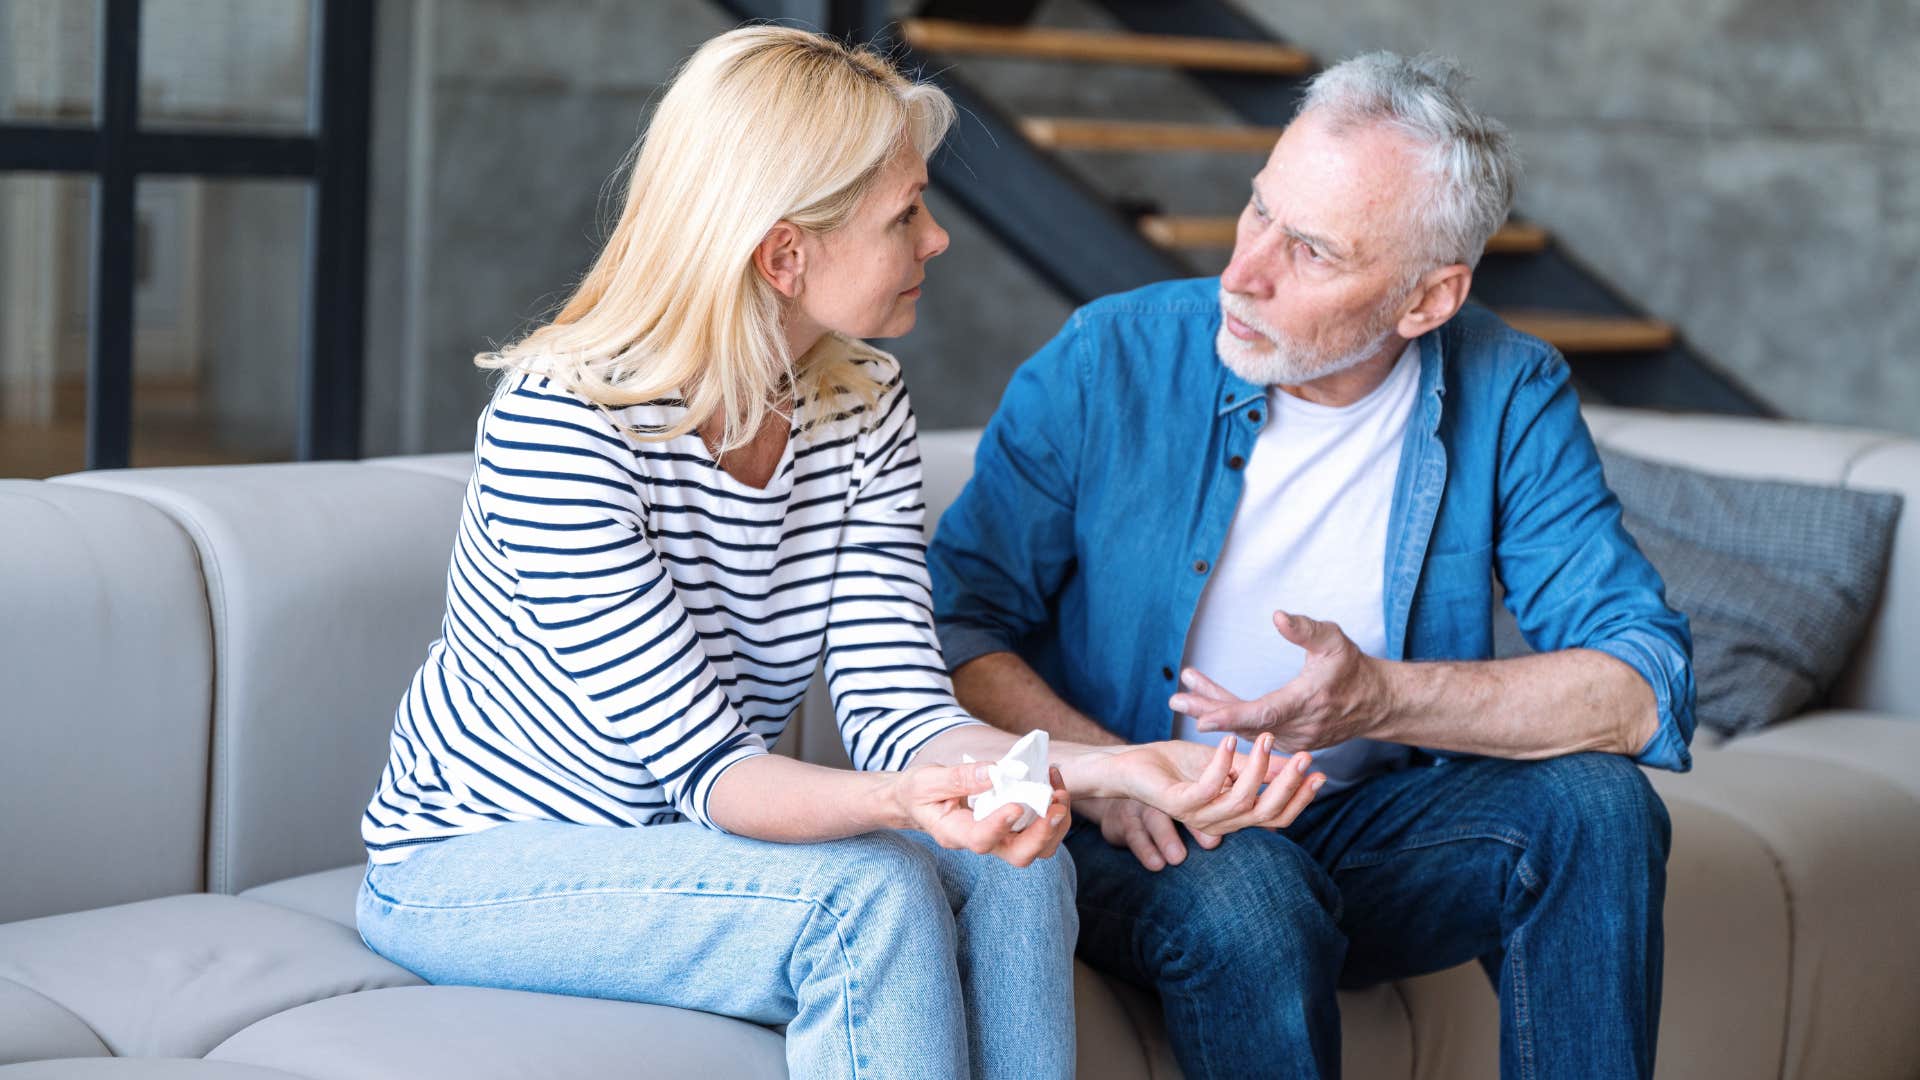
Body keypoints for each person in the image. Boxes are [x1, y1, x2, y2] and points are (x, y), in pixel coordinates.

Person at [355, 26, 1320, 1080]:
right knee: (872, 894)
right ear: (784, 254)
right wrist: (904, 805)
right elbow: (712, 775)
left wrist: (1116, 770)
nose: (938, 238)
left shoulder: (859, 403)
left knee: (1015, 859)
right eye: (905, 213)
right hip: (476, 865)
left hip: (693, 845)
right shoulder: (563, 428)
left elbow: (900, 710)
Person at [928, 52, 1694, 1080]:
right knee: (1246, 892)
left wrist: (1375, 698)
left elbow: (1641, 687)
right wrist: (1116, 776)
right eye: (1257, 211)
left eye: (1313, 251)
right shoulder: (1107, 358)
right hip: (1130, 825)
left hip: (1369, 833)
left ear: (1428, 300)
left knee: (1600, 809)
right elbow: (958, 621)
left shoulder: (1509, 389)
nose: (1244, 272)